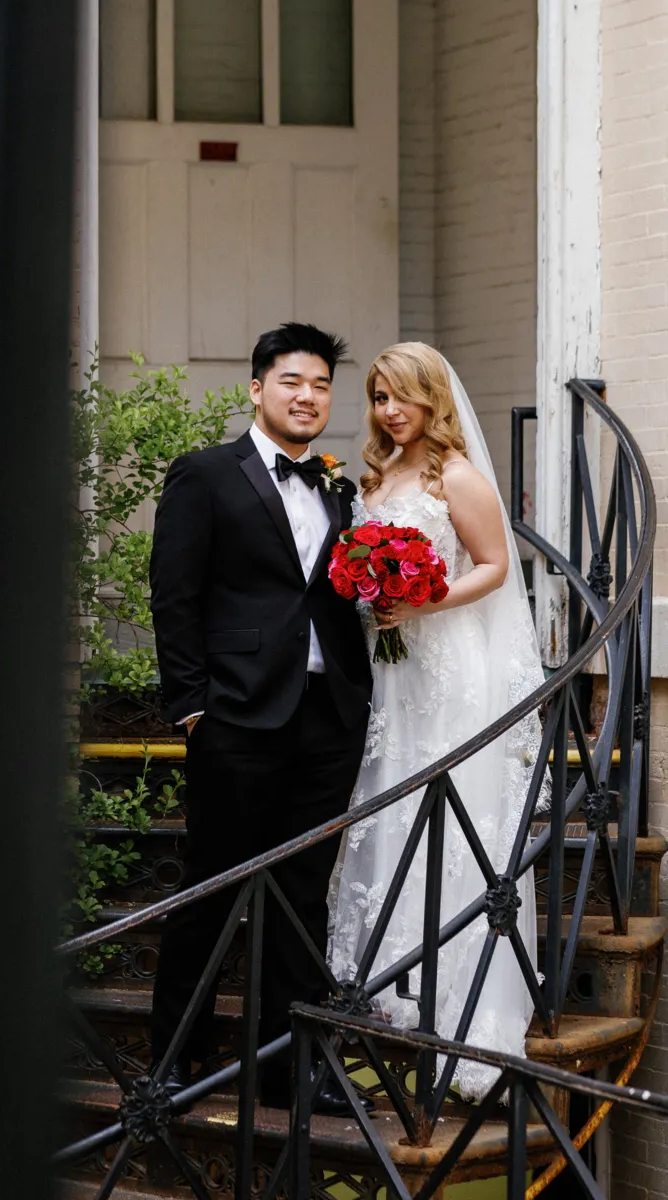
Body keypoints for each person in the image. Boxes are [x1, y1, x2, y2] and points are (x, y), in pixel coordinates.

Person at [149, 323, 373, 1111]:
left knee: (301, 895)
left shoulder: (341, 488)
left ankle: (291, 1070)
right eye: (291, 382)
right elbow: (174, 595)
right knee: (211, 885)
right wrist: (190, 707)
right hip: (236, 717)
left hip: (328, 716)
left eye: (319, 385)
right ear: (256, 388)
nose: (308, 396)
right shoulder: (207, 475)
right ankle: (176, 1059)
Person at [328, 342, 543, 1100]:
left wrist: (425, 598)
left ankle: (466, 1007)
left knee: (450, 814)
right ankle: (392, 985)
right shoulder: (380, 474)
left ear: (432, 401)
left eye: (401, 398)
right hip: (396, 669)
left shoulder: (457, 475)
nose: (388, 410)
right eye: (379, 396)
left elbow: (493, 566)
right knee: (393, 802)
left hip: (449, 666)